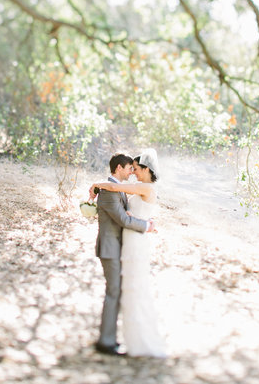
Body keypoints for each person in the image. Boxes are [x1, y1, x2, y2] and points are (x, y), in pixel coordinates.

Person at [90, 148, 167, 358]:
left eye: (135, 169)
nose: (132, 172)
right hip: (116, 245)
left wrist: (96, 185)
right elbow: (123, 218)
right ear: (119, 168)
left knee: (128, 290)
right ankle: (108, 341)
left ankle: (122, 339)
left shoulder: (139, 187)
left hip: (130, 244)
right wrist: (146, 225)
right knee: (117, 291)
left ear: (145, 169)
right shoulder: (112, 190)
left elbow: (125, 213)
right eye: (129, 168)